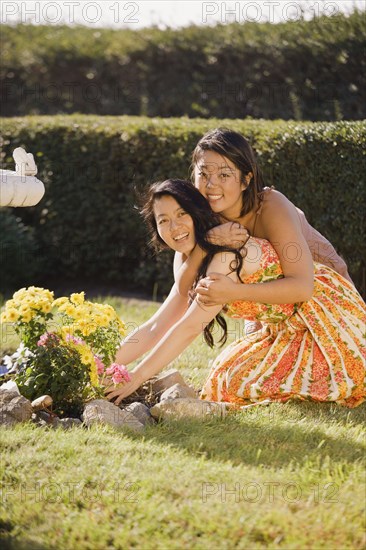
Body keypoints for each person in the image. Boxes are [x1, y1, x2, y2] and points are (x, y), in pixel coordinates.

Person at [105, 179, 365, 409]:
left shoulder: (227, 253)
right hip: (284, 331)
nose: (174, 227)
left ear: (197, 212)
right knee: (228, 381)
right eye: (163, 220)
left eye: (182, 213)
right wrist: (100, 364)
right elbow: (155, 326)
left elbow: (191, 325)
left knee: (343, 380)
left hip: (328, 317)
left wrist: (136, 377)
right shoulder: (188, 255)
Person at [173, 128, 353, 313]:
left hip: (330, 303)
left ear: (246, 180)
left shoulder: (271, 206)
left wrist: (234, 292)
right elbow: (183, 289)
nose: (211, 185)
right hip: (274, 313)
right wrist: (207, 242)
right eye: (203, 174)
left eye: (224, 175)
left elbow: (302, 287)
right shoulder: (200, 217)